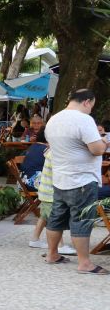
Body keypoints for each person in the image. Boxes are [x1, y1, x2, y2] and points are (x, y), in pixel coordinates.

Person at [43, 88, 108, 274]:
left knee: (56, 218)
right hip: (82, 180)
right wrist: (104, 142)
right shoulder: (83, 119)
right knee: (81, 219)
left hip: (60, 178)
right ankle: (84, 263)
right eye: (91, 106)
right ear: (87, 102)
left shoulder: (54, 119)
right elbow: (96, 150)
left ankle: (52, 254)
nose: (91, 110)